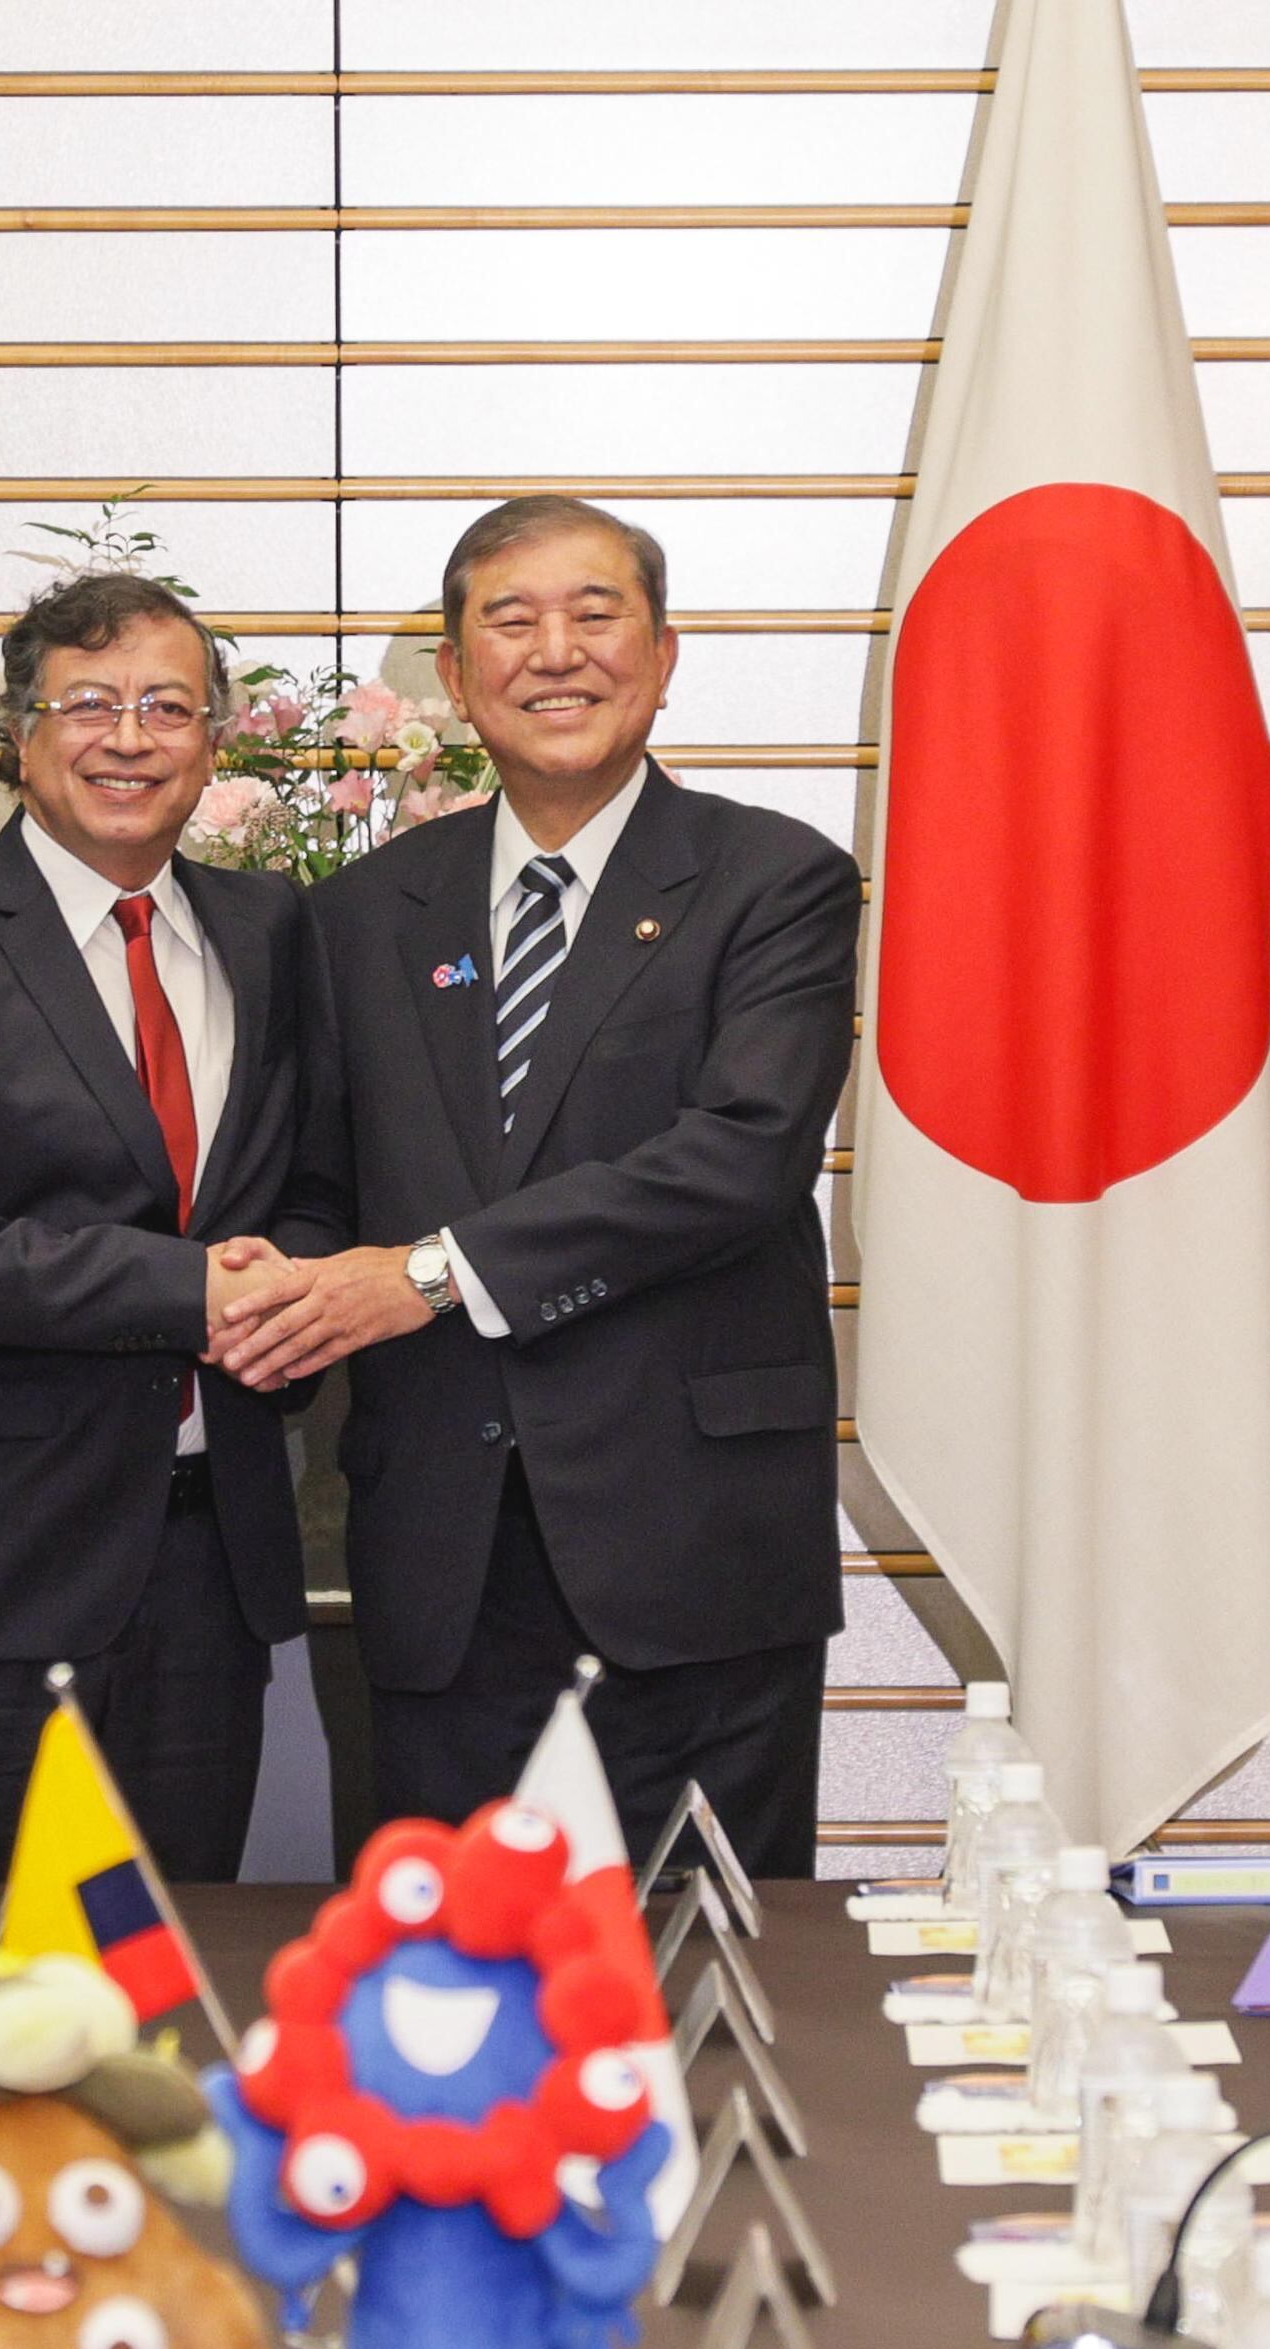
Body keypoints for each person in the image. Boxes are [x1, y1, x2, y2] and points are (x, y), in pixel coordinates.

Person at [216, 496, 861, 1874]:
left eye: (593, 613)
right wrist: (280, 1288)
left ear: (665, 652)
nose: (552, 652)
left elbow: (735, 1161)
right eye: (508, 621)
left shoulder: (773, 881)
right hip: (440, 1548)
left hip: (690, 1548)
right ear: (453, 677)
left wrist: (427, 1276)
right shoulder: (361, 917)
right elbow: (325, 1185)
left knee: (708, 1988)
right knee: (445, 2005)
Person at [0, 571, 316, 1882]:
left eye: (167, 704)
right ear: (21, 737)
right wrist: (200, 1289)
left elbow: (318, 1187)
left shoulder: (276, 938)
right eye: (87, 704)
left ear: (215, 740)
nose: (129, 738)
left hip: (212, 1566)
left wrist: (301, 1290)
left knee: (163, 2002)